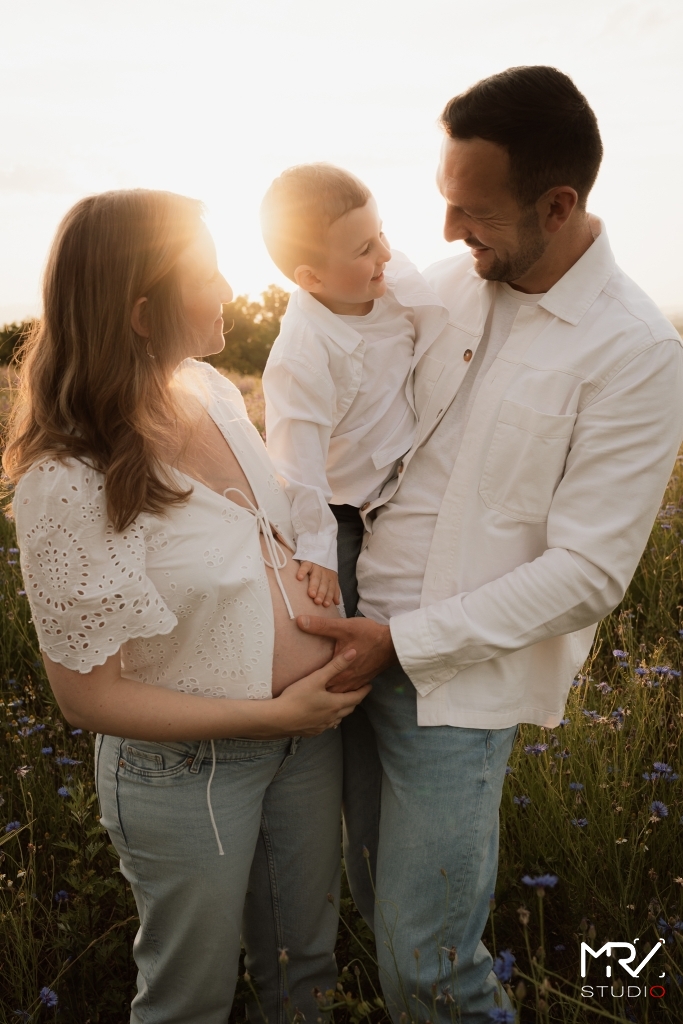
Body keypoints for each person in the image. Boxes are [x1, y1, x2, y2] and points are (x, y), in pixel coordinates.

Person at [297, 66, 683, 1021]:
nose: (442, 232)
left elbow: (587, 573)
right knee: (375, 916)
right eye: (443, 200)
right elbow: (326, 351)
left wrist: (401, 643)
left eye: (472, 211)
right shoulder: (444, 287)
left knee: (429, 967)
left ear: (557, 206)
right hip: (348, 647)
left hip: (452, 688)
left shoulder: (635, 351)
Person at [3, 189, 370, 1024]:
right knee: (190, 1000)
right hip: (190, 771)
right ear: (142, 313)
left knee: (304, 973)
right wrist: (271, 716)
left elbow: (267, 522)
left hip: (303, 746)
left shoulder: (209, 391)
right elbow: (85, 697)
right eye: (206, 275)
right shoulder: (69, 478)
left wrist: (310, 574)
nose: (229, 288)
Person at [261, 164, 447, 617]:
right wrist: (317, 545)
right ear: (312, 279)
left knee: (416, 598)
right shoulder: (302, 354)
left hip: (405, 485)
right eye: (365, 249)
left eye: (381, 232)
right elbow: (297, 461)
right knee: (332, 606)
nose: (386, 252)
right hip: (338, 506)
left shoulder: (394, 281)